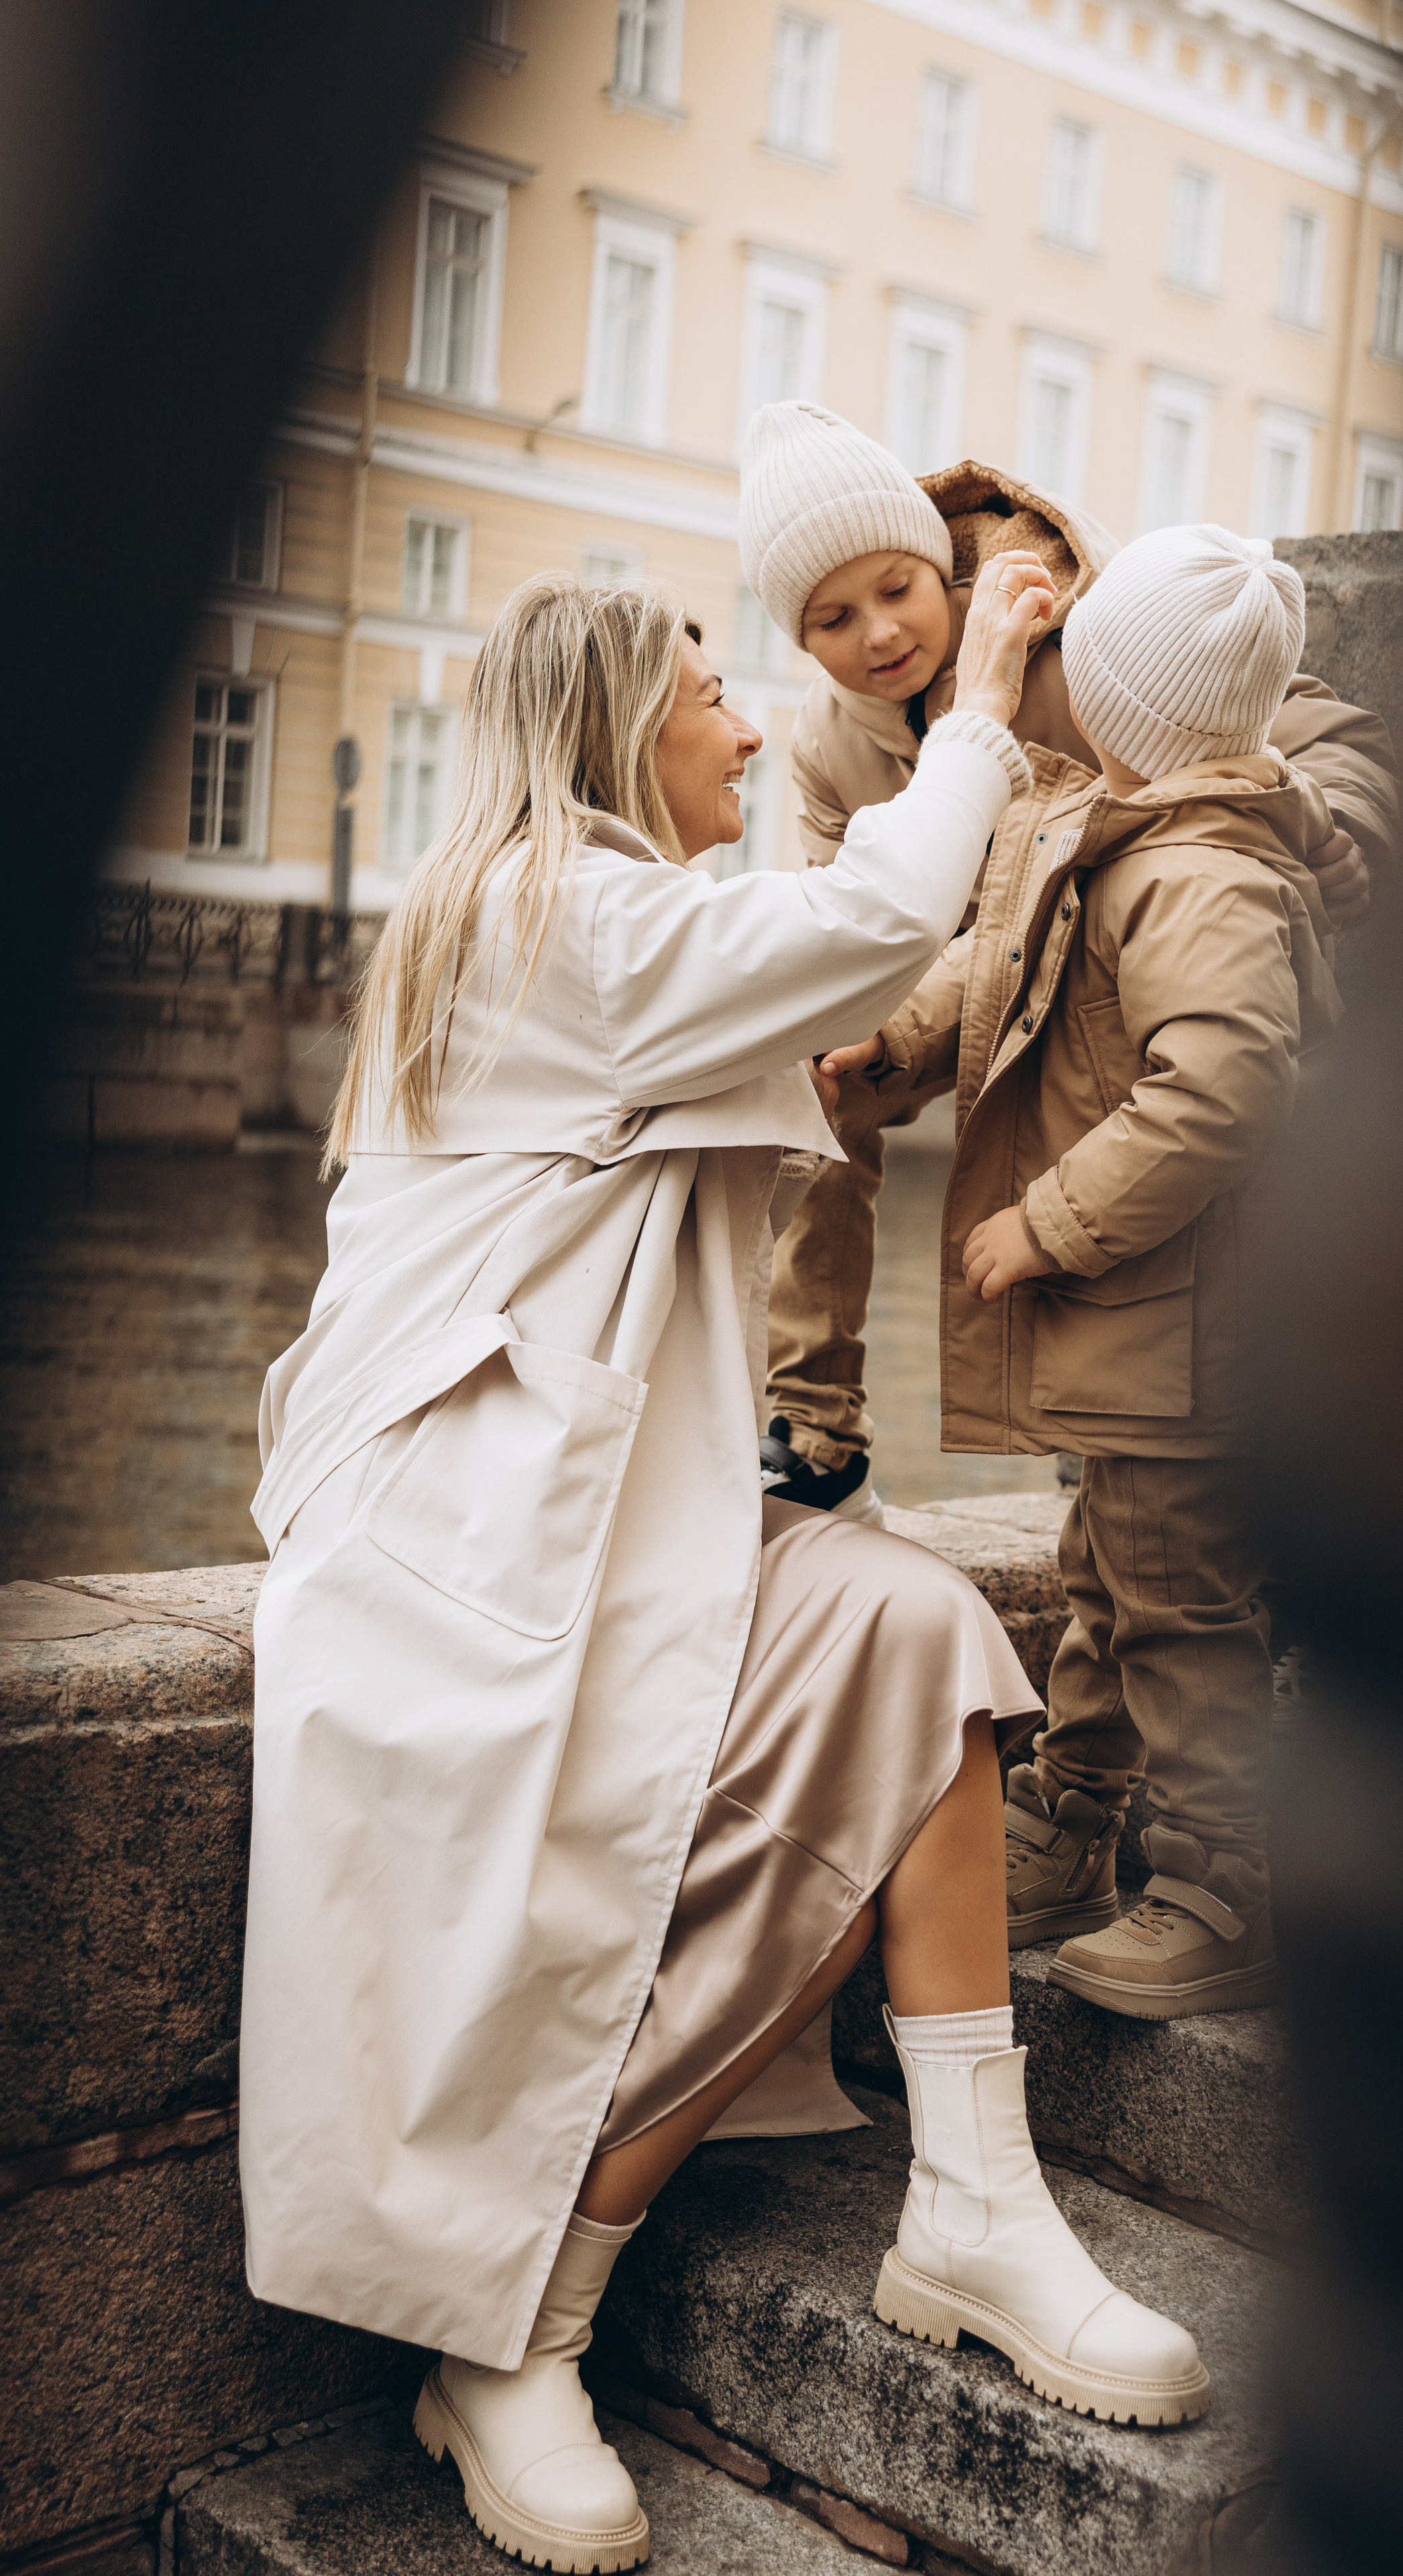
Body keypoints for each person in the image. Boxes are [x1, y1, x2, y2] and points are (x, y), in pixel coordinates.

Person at [238, 561, 1212, 2576]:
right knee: (684, 1830)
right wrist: (987, 699)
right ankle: (516, 2339)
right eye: (713, 698)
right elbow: (870, 922)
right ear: (615, 724)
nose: (756, 730)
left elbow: (821, 1010)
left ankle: (974, 2201)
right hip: (469, 1573)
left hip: (578, 1539)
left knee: (919, 1622)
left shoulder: (577, 927)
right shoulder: (554, 915)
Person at [818, 525, 1339, 2019]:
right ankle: (1078, 1819)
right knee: (1105, 1576)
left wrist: (1046, 1222)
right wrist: (902, 1043)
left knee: (1178, 1605)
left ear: (1120, 704)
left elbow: (1222, 1085)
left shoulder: (1200, 872)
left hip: (1182, 1323)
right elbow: (1004, 972)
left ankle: (1221, 1888)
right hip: (1144, 1330)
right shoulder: (1112, 820)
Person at [737, 399, 1397, 1523]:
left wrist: (1337, 825)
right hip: (960, 973)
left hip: (1103, 963)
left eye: (897, 589)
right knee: (816, 1086)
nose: (881, 635)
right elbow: (844, 909)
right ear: (801, 641)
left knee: (1135, 1132)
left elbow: (1322, 732)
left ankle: (1125, 1436)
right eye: (833, 620)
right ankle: (814, 1424)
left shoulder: (1089, 633)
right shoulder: (828, 737)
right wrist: (855, 1031)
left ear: (937, 560)